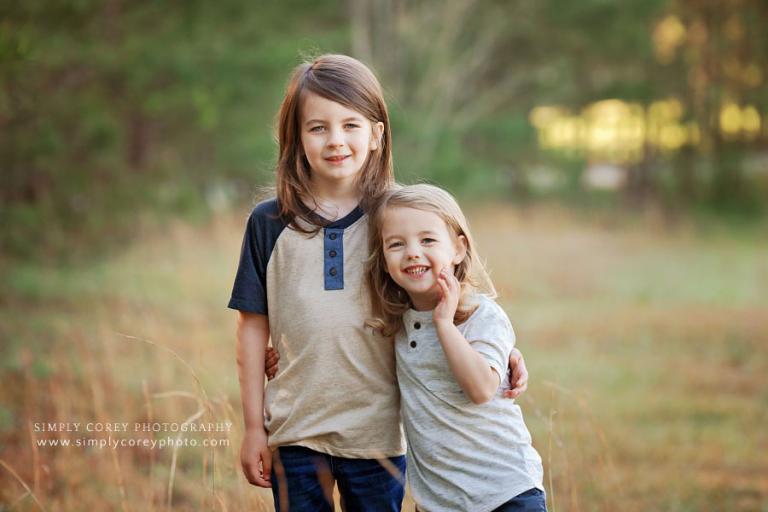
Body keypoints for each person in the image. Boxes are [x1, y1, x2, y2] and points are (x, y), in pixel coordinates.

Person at [228, 54, 529, 511]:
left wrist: (499, 347)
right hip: (294, 426)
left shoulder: (396, 218)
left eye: (351, 125)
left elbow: (445, 291)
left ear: (376, 134)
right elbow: (253, 326)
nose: (336, 141)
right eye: (318, 128)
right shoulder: (269, 222)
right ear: (296, 138)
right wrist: (254, 427)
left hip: (378, 434)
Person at [365, 183, 546, 512]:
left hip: (505, 493)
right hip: (439, 502)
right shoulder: (393, 323)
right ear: (383, 258)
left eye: (428, 240)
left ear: (458, 248)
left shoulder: (482, 314)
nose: (413, 252)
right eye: (396, 244)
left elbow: (480, 390)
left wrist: (445, 325)